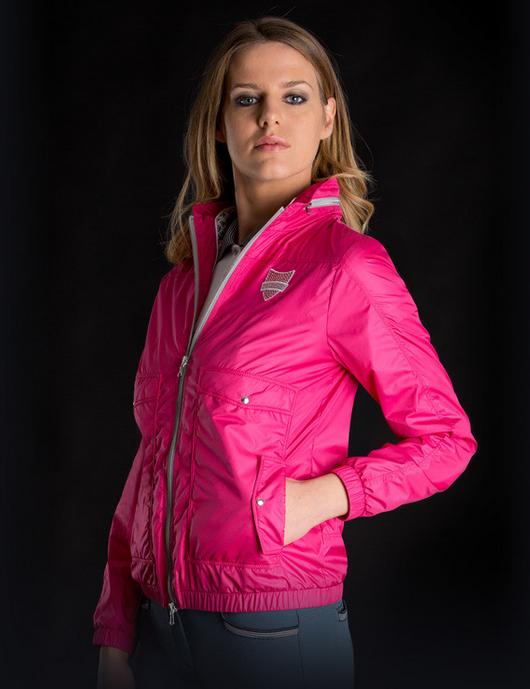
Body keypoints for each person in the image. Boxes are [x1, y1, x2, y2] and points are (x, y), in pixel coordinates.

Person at [93, 15, 478, 689]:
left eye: (293, 97)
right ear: (220, 124)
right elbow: (151, 465)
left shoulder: (345, 266)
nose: (269, 116)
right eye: (247, 99)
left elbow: (447, 441)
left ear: (327, 117)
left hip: (273, 632)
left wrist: (325, 495)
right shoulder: (181, 286)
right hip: (160, 635)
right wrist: (115, 633)